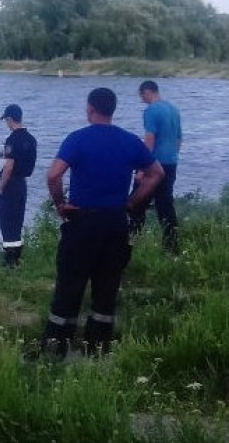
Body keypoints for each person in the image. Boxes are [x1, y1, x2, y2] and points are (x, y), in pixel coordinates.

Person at [39, 87, 164, 360]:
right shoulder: (130, 141)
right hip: (115, 222)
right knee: (107, 287)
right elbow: (157, 174)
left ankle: (56, 346)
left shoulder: (77, 139)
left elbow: (53, 175)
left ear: (91, 109)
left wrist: (61, 204)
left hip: (82, 221)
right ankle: (97, 348)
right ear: (112, 110)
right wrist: (132, 202)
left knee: (70, 283)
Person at [129, 80, 183, 253]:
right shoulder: (174, 109)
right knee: (165, 205)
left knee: (135, 202)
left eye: (141, 96)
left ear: (147, 92)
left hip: (153, 166)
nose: (141, 99)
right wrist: (172, 156)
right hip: (171, 163)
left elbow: (150, 140)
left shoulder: (151, 111)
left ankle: (131, 241)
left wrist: (141, 168)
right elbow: (179, 139)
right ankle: (172, 248)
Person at [0, 104, 37, 267]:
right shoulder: (31, 139)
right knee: (17, 220)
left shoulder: (12, 139)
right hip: (22, 184)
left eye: (6, 120)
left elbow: (9, 167)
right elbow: (21, 157)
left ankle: (9, 261)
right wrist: (3, 154)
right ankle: (17, 259)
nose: (6, 123)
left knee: (6, 220)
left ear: (10, 119)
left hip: (11, 185)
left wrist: (1, 187)